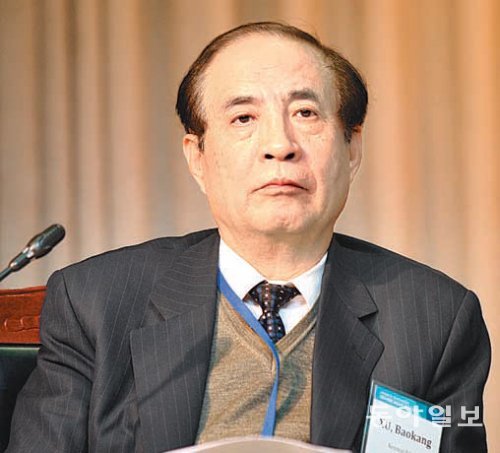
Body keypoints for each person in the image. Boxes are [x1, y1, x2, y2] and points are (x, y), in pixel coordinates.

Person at [7, 22, 490, 453]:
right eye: (244, 118)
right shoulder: (97, 302)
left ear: (352, 148)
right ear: (197, 157)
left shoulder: (434, 319)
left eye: (306, 113)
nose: (279, 145)